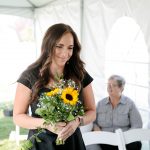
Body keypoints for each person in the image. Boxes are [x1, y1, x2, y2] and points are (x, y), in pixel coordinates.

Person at [13, 23, 96, 150]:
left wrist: (76, 122)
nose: (65, 53)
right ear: (48, 45)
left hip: (73, 144)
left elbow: (92, 111)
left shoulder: (80, 74)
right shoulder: (30, 76)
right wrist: (46, 124)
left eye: (70, 47)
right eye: (59, 46)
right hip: (41, 145)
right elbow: (18, 117)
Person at [93, 75, 142, 150]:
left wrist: (125, 138)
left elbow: (137, 125)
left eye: (113, 85)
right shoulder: (100, 104)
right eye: (108, 85)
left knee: (136, 144)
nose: (109, 87)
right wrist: (97, 130)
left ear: (121, 88)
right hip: (105, 141)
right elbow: (93, 122)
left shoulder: (129, 103)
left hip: (125, 141)